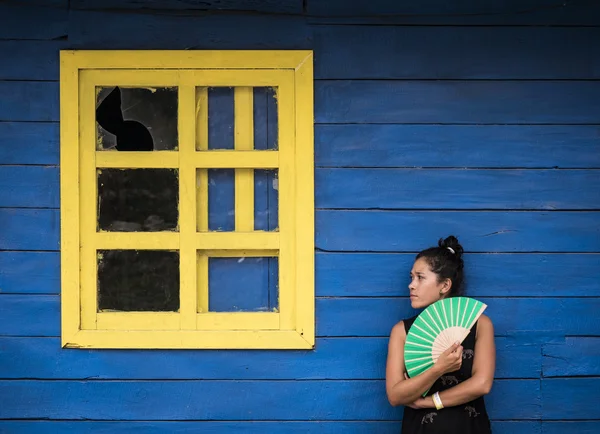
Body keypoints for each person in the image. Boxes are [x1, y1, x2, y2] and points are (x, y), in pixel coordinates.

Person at [386, 236, 496, 433]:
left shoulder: (480, 324)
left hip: (470, 427)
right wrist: (439, 369)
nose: (411, 285)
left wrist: (428, 402)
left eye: (420, 277)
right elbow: (395, 396)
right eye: (411, 277)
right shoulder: (402, 331)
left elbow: (482, 384)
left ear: (444, 286)